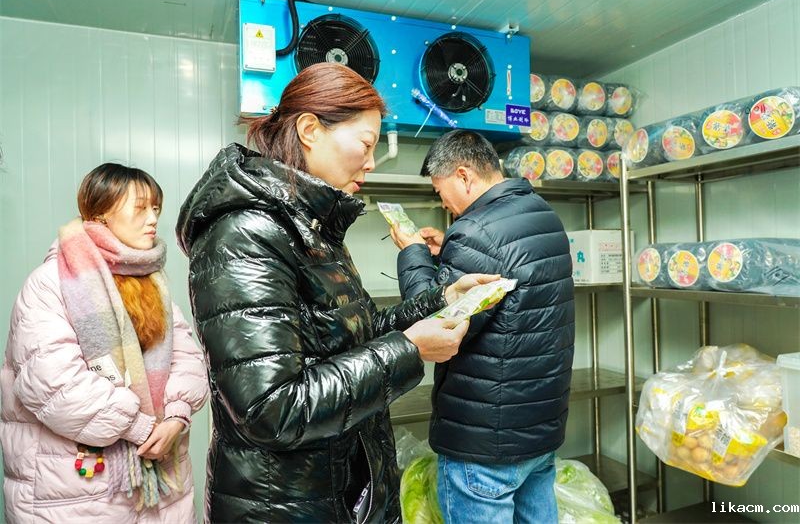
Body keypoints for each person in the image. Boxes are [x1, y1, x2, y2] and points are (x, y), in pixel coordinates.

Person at [175, 62, 498, 523]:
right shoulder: (245, 233)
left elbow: (353, 333)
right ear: (310, 130)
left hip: (335, 492)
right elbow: (271, 408)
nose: (372, 162)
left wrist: (440, 301)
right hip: (283, 506)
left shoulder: (311, 226)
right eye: (366, 144)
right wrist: (409, 350)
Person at [0, 163, 209, 523]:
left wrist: (176, 415)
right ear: (101, 214)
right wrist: (140, 426)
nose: (153, 219)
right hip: (76, 493)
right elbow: (54, 383)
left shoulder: (153, 283)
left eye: (156, 208)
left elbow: (186, 357)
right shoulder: (50, 284)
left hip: (160, 491)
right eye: (140, 208)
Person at [390, 130, 575, 524]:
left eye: (440, 190)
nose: (442, 202)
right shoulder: (541, 213)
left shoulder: (474, 231)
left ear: (463, 175)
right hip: (540, 427)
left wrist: (413, 254)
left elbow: (438, 324)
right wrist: (447, 255)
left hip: (486, 440)